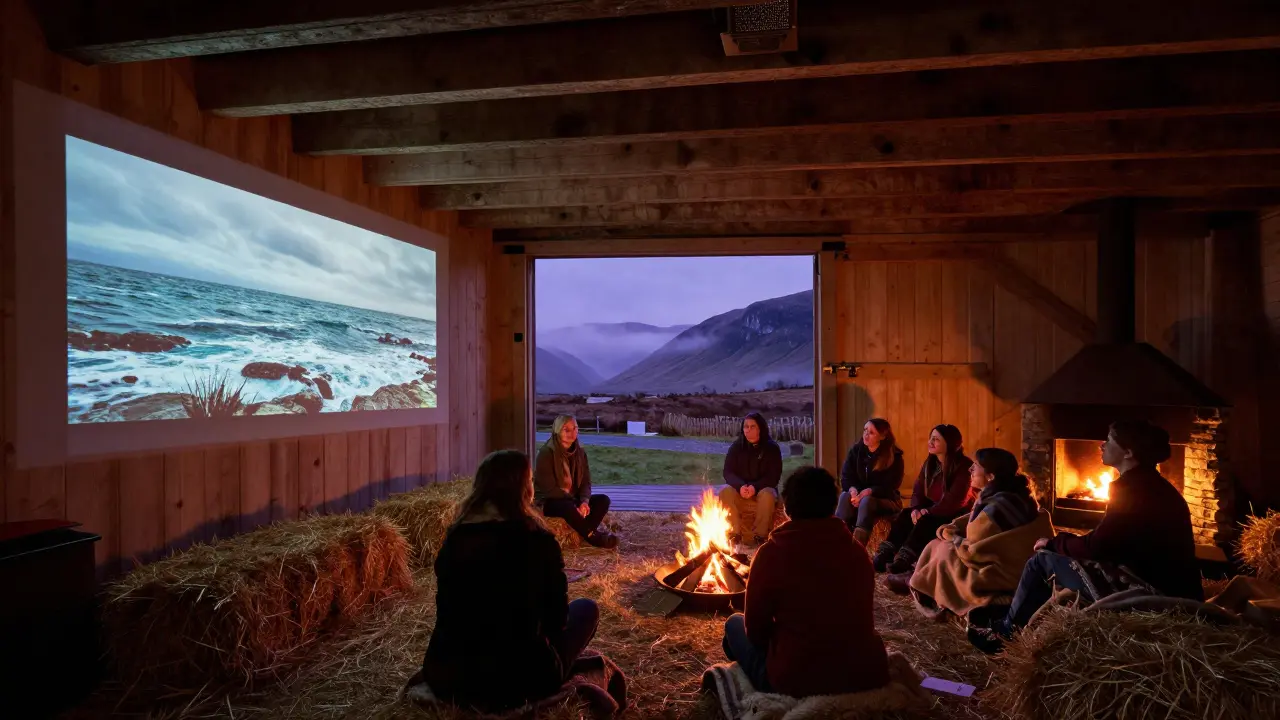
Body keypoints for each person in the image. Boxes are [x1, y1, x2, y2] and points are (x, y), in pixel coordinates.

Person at [968, 420, 1204, 654]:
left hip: (1152, 589)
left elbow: (1099, 546)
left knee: (1040, 560)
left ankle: (1005, 633)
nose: (1102, 445)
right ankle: (1017, 614)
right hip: (1174, 584)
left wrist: (1054, 542)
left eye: (1109, 441)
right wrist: (1064, 540)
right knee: (1055, 551)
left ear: (1129, 452)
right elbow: (1111, 538)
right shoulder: (1153, 484)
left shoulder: (1131, 489)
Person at [422, 450, 604, 712]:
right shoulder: (539, 542)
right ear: (524, 490)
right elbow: (557, 621)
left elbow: (446, 610)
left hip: (448, 676)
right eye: (530, 481)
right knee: (587, 608)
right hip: (521, 681)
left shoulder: (456, 538)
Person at [721, 466, 890, 697]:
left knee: (733, 625)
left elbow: (756, 632)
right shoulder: (857, 552)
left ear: (788, 509)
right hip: (862, 674)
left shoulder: (771, 554)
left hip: (797, 678)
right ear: (833, 506)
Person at [899, 448, 1054, 618]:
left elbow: (972, 552)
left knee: (942, 550)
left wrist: (950, 535)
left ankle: (923, 586)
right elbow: (972, 521)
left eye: (976, 466)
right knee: (937, 543)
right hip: (1019, 567)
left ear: (991, 476)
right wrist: (951, 527)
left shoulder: (995, 510)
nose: (970, 469)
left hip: (1000, 573)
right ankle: (917, 579)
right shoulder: (1017, 496)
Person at [872, 424, 974, 576]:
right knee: (906, 514)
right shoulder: (930, 464)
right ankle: (886, 553)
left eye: (936, 439)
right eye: (930, 438)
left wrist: (927, 511)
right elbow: (918, 490)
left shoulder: (963, 466)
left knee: (926, 520)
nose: (930, 442)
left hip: (954, 514)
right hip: (933, 509)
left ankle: (905, 559)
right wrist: (915, 509)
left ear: (949, 443)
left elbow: (955, 501)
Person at [534, 415, 618, 549]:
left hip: (571, 498)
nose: (571, 433)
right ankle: (592, 536)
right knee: (567, 507)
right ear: (557, 431)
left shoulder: (580, 452)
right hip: (550, 500)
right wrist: (574, 503)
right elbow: (549, 489)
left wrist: (584, 501)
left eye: (574, 429)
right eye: (566, 430)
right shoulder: (546, 453)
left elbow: (585, 481)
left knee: (603, 500)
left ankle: (582, 534)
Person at [836, 418, 905, 546]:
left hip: (886, 500)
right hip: (859, 498)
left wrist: (868, 492)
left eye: (871, 432)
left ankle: (857, 547)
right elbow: (846, 477)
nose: (866, 434)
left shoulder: (894, 456)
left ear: (883, 436)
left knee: (867, 501)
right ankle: (837, 541)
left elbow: (890, 487)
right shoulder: (856, 451)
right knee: (844, 496)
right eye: (865, 430)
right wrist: (853, 491)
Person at [719, 412, 784, 546]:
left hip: (762, 488)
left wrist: (755, 487)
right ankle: (734, 534)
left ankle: (759, 537)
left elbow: (773, 477)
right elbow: (728, 472)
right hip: (741, 489)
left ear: (760, 428)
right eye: (746, 427)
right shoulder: (737, 447)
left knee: (767, 495)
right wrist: (740, 486)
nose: (748, 430)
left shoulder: (771, 448)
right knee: (725, 491)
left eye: (752, 427)